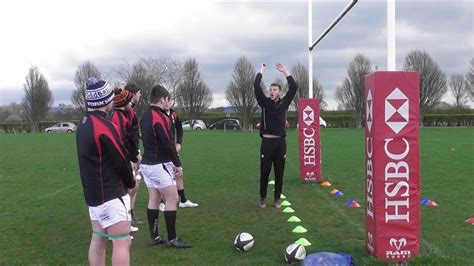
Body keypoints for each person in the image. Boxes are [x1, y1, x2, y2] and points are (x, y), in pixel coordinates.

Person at [76, 78, 136, 265]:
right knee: (122, 242)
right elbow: (121, 160)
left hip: (93, 195)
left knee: (99, 237)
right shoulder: (105, 127)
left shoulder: (83, 123)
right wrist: (131, 183)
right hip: (109, 194)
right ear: (105, 101)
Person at [140, 84, 192, 248]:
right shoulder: (160, 117)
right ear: (162, 99)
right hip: (159, 163)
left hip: (147, 164)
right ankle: (172, 238)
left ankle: (155, 237)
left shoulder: (144, 116)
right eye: (167, 99)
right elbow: (167, 144)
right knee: (173, 198)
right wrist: (178, 164)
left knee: (154, 198)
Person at [254, 63, 297, 209]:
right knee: (264, 172)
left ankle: (277, 199)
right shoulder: (264, 103)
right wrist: (261, 71)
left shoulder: (284, 103)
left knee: (279, 173)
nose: (272, 91)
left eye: (275, 89)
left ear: (279, 92)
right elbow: (256, 85)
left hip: (280, 144)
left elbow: (294, 87)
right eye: (270, 89)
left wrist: (285, 71)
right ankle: (262, 198)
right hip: (267, 144)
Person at [108, 88, 142, 232]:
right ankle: (119, 225)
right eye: (129, 100)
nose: (131, 103)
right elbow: (123, 141)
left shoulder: (123, 115)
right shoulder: (118, 117)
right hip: (123, 159)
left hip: (128, 157)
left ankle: (126, 221)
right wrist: (132, 158)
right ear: (125, 102)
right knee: (124, 190)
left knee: (131, 187)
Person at [158, 98, 198, 211]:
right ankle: (160, 202)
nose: (168, 103)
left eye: (169, 101)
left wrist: (179, 143)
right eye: (165, 100)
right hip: (160, 153)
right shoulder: (157, 114)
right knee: (162, 177)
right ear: (161, 101)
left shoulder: (174, 114)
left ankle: (183, 201)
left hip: (172, 150)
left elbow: (179, 128)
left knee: (179, 174)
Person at [123, 83, 145, 227]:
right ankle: (125, 217)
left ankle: (131, 213)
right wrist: (133, 155)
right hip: (128, 154)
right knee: (130, 186)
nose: (140, 95)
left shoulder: (132, 110)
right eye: (138, 93)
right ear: (131, 94)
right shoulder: (126, 111)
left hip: (134, 152)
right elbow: (127, 136)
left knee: (137, 183)